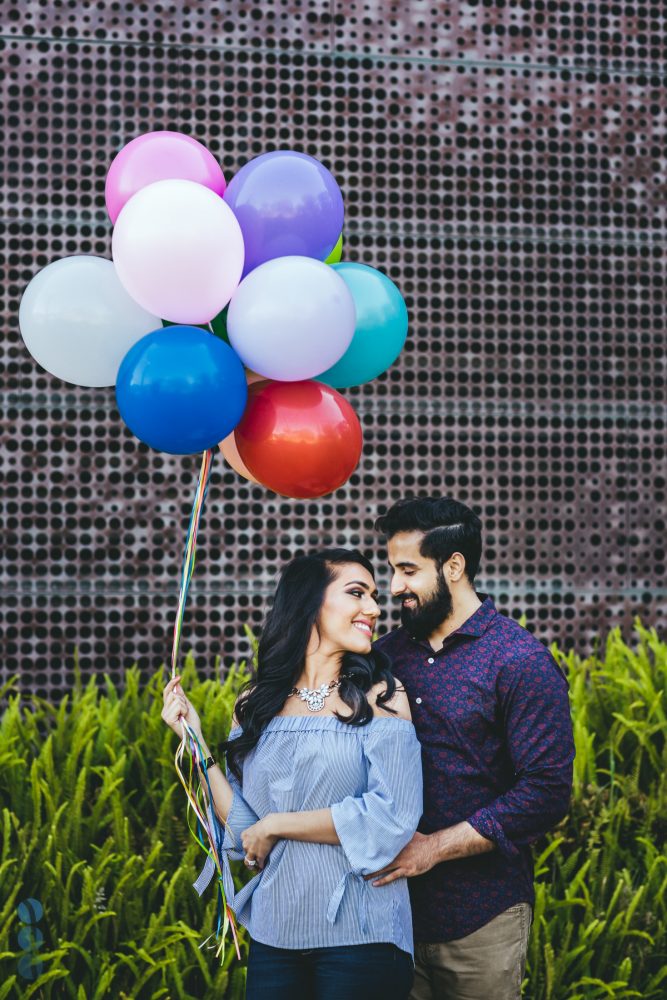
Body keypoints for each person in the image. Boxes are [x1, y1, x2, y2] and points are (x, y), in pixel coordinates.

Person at [162, 548, 423, 1000]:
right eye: (357, 593)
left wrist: (278, 824)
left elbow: (392, 817)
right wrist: (195, 741)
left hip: (362, 934)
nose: (375, 608)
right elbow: (246, 829)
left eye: (375, 597)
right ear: (309, 603)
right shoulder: (256, 703)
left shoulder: (383, 696)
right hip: (275, 932)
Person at [368, 498, 575, 1000]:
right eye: (392, 569)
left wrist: (433, 849)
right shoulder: (384, 657)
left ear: (454, 566)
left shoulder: (519, 661)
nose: (394, 587)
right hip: (388, 917)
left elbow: (547, 793)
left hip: (482, 918)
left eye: (408, 570)